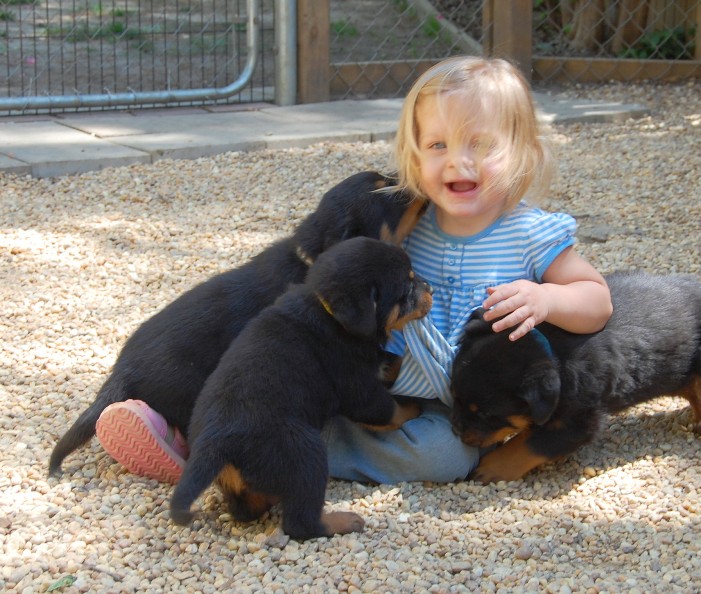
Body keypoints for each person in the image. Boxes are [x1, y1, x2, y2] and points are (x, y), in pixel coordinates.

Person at [94, 56, 613, 485]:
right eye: (438, 145)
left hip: (457, 404)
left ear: (523, 152)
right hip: (369, 380)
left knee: (443, 456)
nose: (459, 162)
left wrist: (547, 299)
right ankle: (206, 430)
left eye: (481, 144)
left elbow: (597, 299)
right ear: (414, 153)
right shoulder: (406, 223)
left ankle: (254, 449)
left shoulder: (529, 232)